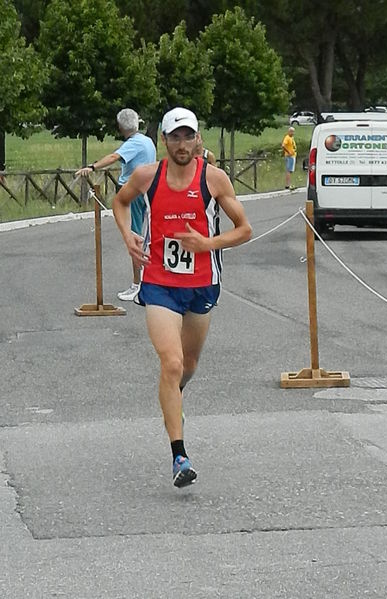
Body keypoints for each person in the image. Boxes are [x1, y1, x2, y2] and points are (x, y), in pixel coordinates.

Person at [112, 107, 252, 488]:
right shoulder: (147, 176)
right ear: (164, 141)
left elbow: (245, 230)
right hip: (158, 284)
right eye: (174, 137)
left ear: (197, 139)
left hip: (202, 285)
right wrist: (129, 238)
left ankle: (173, 398)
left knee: (187, 365)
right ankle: (179, 456)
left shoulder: (214, 180)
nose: (181, 144)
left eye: (188, 136)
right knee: (171, 363)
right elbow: (119, 202)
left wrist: (206, 243)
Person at [76, 108, 156, 301]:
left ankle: (138, 285)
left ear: (120, 127)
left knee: (134, 236)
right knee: (144, 236)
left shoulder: (134, 143)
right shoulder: (147, 141)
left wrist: (92, 167)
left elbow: (113, 157)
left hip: (133, 193)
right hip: (148, 191)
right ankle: (146, 281)